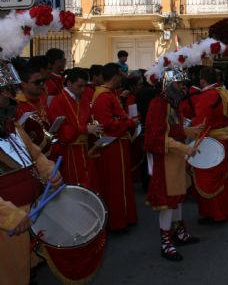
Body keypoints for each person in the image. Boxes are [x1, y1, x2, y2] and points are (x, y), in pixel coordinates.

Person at [0, 60, 62, 285]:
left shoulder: (12, 126)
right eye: (3, 92)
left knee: (25, 274)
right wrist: (10, 216)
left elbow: (35, 155)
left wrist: (49, 172)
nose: (10, 97)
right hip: (8, 226)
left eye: (10, 90)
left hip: (28, 218)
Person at [144, 68, 200, 261]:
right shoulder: (159, 104)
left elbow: (174, 129)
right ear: (168, 84)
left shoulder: (172, 103)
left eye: (184, 83)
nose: (183, 87)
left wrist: (192, 131)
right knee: (167, 202)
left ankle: (179, 233)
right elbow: (158, 138)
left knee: (176, 197)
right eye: (179, 83)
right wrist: (185, 149)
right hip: (166, 159)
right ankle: (166, 243)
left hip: (175, 158)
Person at [91, 63, 139, 231]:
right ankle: (118, 221)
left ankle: (124, 217)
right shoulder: (104, 96)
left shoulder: (109, 93)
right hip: (112, 145)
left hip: (117, 143)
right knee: (115, 184)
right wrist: (129, 123)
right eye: (121, 76)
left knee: (121, 182)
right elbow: (106, 123)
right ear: (115, 77)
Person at [48, 67, 102, 191]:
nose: (83, 90)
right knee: (75, 185)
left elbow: (88, 118)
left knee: (88, 184)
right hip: (69, 151)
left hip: (84, 148)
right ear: (69, 83)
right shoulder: (59, 101)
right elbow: (61, 130)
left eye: (85, 86)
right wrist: (85, 129)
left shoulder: (83, 98)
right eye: (80, 86)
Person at [191, 67, 228, 223]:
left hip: (210, 139)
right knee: (221, 174)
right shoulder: (221, 92)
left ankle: (214, 213)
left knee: (209, 175)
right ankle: (224, 210)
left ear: (203, 80)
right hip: (222, 137)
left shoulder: (207, 96)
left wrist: (190, 135)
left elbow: (201, 121)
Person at [14, 61, 54, 158]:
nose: (42, 85)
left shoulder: (42, 100)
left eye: (42, 81)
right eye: (37, 82)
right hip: (29, 157)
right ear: (24, 84)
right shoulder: (16, 106)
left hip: (49, 154)